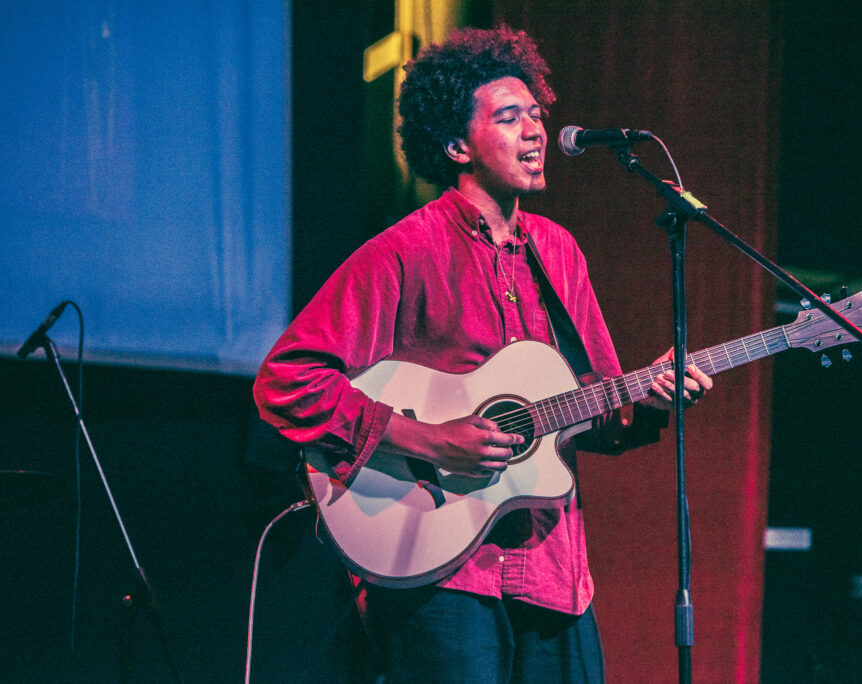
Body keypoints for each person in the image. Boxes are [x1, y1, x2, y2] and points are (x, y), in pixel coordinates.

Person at [253, 25, 712, 683]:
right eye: (508, 117)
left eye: (536, 114)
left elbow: (600, 406)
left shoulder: (557, 253)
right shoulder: (405, 250)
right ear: (456, 143)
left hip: (555, 572)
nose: (534, 131)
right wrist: (428, 439)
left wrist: (651, 395)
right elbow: (287, 378)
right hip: (442, 574)